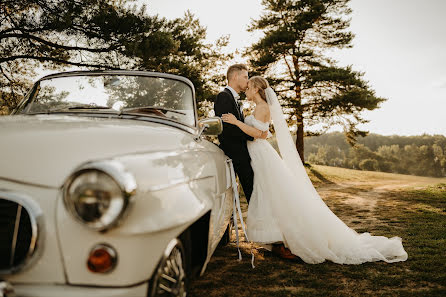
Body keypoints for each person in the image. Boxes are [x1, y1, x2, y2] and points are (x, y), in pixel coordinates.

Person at [221, 76, 408, 264]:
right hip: (256, 154)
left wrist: (237, 123)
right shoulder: (256, 107)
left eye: (249, 86)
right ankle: (275, 238)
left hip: (261, 154)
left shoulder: (263, 108)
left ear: (256, 89)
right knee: (268, 195)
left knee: (274, 194)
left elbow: (259, 134)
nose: (246, 88)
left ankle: (284, 239)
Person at [214, 64, 266, 204]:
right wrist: (252, 135)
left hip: (244, 153)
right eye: (245, 77)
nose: (247, 81)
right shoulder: (223, 97)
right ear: (235, 77)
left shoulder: (234, 98)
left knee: (254, 192)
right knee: (250, 193)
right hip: (235, 154)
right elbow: (228, 129)